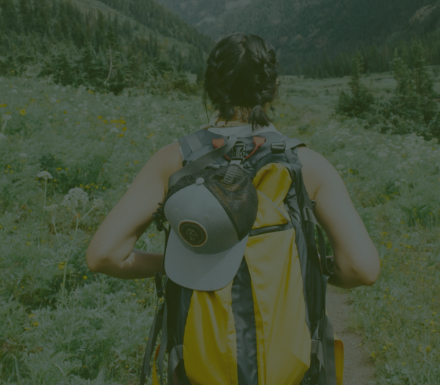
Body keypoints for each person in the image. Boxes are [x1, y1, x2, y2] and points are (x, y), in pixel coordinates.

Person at [86, 33, 379, 384]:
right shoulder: (307, 165)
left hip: (200, 368)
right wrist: (311, 268)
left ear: (210, 87)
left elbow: (104, 255)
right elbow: (362, 269)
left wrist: (179, 263)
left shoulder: (173, 161)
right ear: (273, 88)